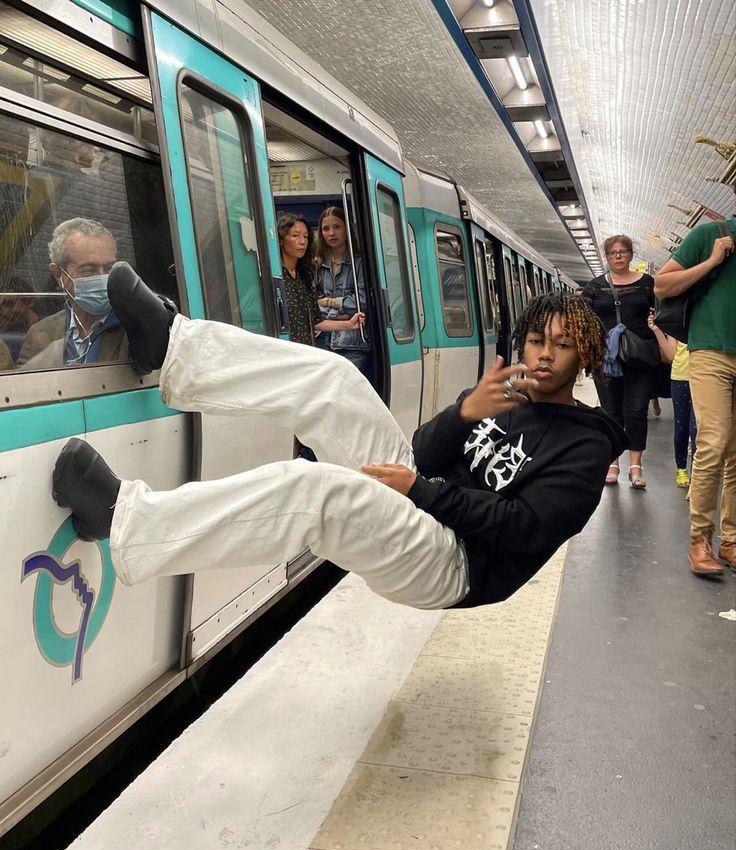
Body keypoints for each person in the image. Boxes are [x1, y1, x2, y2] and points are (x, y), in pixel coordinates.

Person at [51, 273, 627, 610]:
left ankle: (126, 525)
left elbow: (523, 531)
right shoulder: (508, 401)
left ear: (587, 355)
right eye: (534, 340)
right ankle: (173, 347)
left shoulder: (586, 448)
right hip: (425, 511)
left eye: (561, 344)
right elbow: (419, 455)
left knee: (316, 490)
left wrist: (420, 492)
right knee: (335, 379)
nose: (543, 355)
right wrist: (463, 413)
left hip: (457, 565)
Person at [654, 208, 735, 576]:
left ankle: (731, 540)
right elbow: (661, 285)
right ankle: (700, 538)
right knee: (714, 441)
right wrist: (713, 261)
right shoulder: (709, 235)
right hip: (711, 351)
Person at [582, 234, 657, 489]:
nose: (618, 256)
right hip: (605, 358)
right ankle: (613, 462)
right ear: (606, 256)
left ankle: (636, 466)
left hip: (640, 356)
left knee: (636, 412)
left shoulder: (648, 284)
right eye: (613, 252)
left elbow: (662, 312)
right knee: (611, 413)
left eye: (623, 251)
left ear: (630, 254)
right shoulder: (594, 286)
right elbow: (583, 319)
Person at [17, 217, 126, 368]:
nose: (102, 278)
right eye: (88, 270)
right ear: (58, 274)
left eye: (109, 268)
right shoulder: (41, 332)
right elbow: (24, 387)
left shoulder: (135, 325)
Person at [278, 212, 364, 348]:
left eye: (306, 237)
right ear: (281, 240)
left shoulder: (305, 275)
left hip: (308, 351)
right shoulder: (275, 276)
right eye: (295, 236)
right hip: (285, 352)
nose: (302, 242)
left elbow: (316, 321)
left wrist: (348, 324)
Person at [314, 206, 370, 375]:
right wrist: (342, 313)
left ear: (347, 228)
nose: (331, 233)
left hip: (352, 344)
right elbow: (311, 305)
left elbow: (362, 302)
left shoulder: (360, 263)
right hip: (321, 340)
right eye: (326, 228)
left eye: (337, 226)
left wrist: (328, 302)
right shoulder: (317, 264)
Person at [648, 315, 696, 489]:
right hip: (681, 377)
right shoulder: (678, 317)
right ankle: (682, 469)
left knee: (697, 429)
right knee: (682, 426)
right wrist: (657, 330)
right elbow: (670, 354)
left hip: (704, 377)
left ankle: (697, 476)